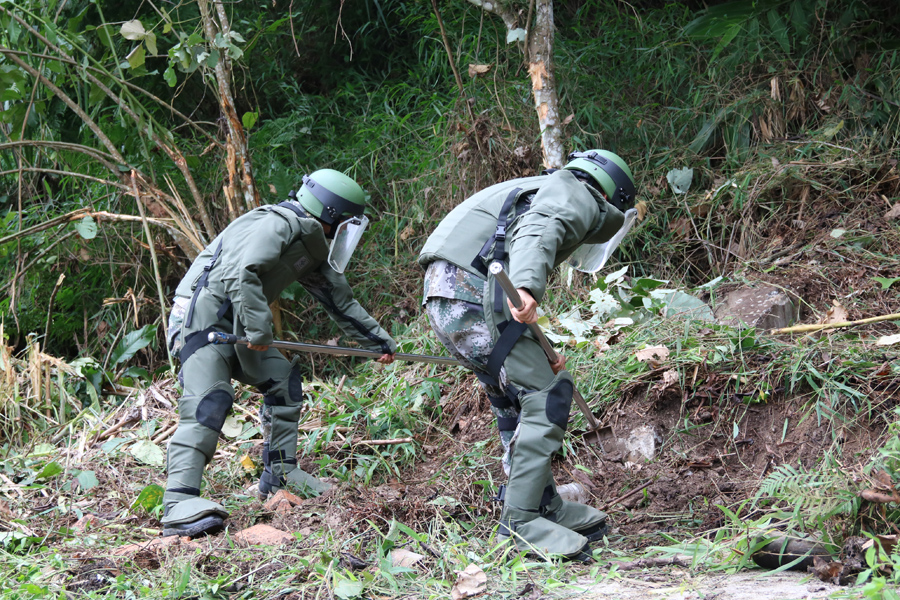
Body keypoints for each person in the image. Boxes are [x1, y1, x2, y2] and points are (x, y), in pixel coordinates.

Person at [418, 150, 636, 560]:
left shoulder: (540, 187)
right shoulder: (576, 193)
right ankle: (520, 523)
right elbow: (540, 230)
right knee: (549, 394)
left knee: (520, 397)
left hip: (452, 293)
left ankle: (541, 505)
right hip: (472, 292)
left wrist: (537, 341)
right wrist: (530, 288)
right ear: (611, 198)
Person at [161, 169, 396, 538]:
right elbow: (244, 271)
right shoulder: (278, 223)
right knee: (211, 400)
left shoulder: (310, 244)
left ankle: (281, 475)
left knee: (283, 381)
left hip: (237, 326)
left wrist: (379, 343)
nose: (347, 234)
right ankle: (178, 503)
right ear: (332, 214)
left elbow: (339, 300)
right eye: (347, 224)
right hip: (200, 320)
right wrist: (259, 330)